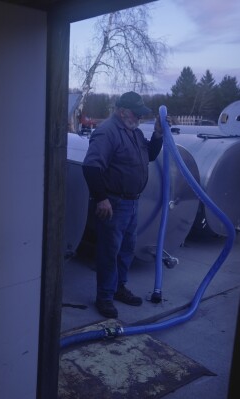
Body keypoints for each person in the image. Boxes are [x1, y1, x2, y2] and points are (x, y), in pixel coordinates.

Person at [82, 91, 164, 319]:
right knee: (110, 251)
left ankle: (119, 288)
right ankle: (105, 297)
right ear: (122, 111)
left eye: (140, 114)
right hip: (114, 203)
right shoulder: (108, 132)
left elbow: (149, 156)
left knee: (126, 249)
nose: (139, 118)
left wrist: (158, 135)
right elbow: (91, 167)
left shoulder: (134, 132)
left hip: (131, 202)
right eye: (136, 113)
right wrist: (102, 198)